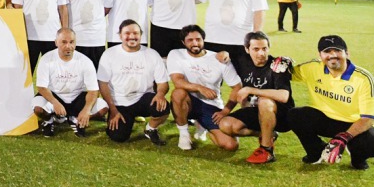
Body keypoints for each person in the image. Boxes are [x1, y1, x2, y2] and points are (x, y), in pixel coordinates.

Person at [288, 35, 374, 170]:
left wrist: (344, 137)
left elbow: (368, 119)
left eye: (337, 51)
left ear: (347, 53)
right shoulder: (312, 67)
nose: (333, 55)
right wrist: (282, 62)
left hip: (354, 124)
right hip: (326, 120)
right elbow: (285, 72)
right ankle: (316, 152)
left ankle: (357, 158)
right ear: (320, 55)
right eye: (327, 52)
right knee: (295, 115)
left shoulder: (364, 78)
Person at [216, 31, 294, 164]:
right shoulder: (241, 60)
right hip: (255, 110)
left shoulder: (277, 65)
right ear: (247, 49)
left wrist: (251, 90)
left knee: (264, 101)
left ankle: (266, 149)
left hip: (282, 115)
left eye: (264, 48)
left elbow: (284, 96)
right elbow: (222, 53)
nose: (261, 53)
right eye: (256, 49)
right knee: (226, 125)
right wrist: (223, 53)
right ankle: (268, 135)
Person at [166, 24, 241, 152]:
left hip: (211, 106)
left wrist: (226, 111)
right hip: (188, 102)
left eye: (198, 39)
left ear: (203, 40)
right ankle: (184, 135)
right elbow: (177, 81)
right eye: (190, 40)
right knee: (178, 93)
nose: (195, 43)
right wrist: (199, 88)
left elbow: (237, 87)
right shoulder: (176, 54)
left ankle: (204, 125)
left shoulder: (219, 59)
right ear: (183, 42)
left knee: (231, 145)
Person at [97, 20, 170, 145]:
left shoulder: (152, 54)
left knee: (162, 107)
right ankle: (121, 120)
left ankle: (151, 128)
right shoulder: (109, 54)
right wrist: (113, 110)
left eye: (135, 33)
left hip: (143, 98)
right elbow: (103, 84)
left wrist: (160, 94)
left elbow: (163, 83)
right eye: (127, 33)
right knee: (118, 136)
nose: (131, 36)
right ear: (120, 35)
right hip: (119, 103)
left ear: (141, 35)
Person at [32, 28, 104, 138]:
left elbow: (93, 90)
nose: (68, 46)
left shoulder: (85, 61)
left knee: (103, 108)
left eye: (71, 42)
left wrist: (86, 110)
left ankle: (75, 119)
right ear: (56, 42)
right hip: (55, 97)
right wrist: (55, 103)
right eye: (64, 42)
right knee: (37, 107)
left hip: (77, 98)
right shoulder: (46, 59)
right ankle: (49, 120)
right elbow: (41, 87)